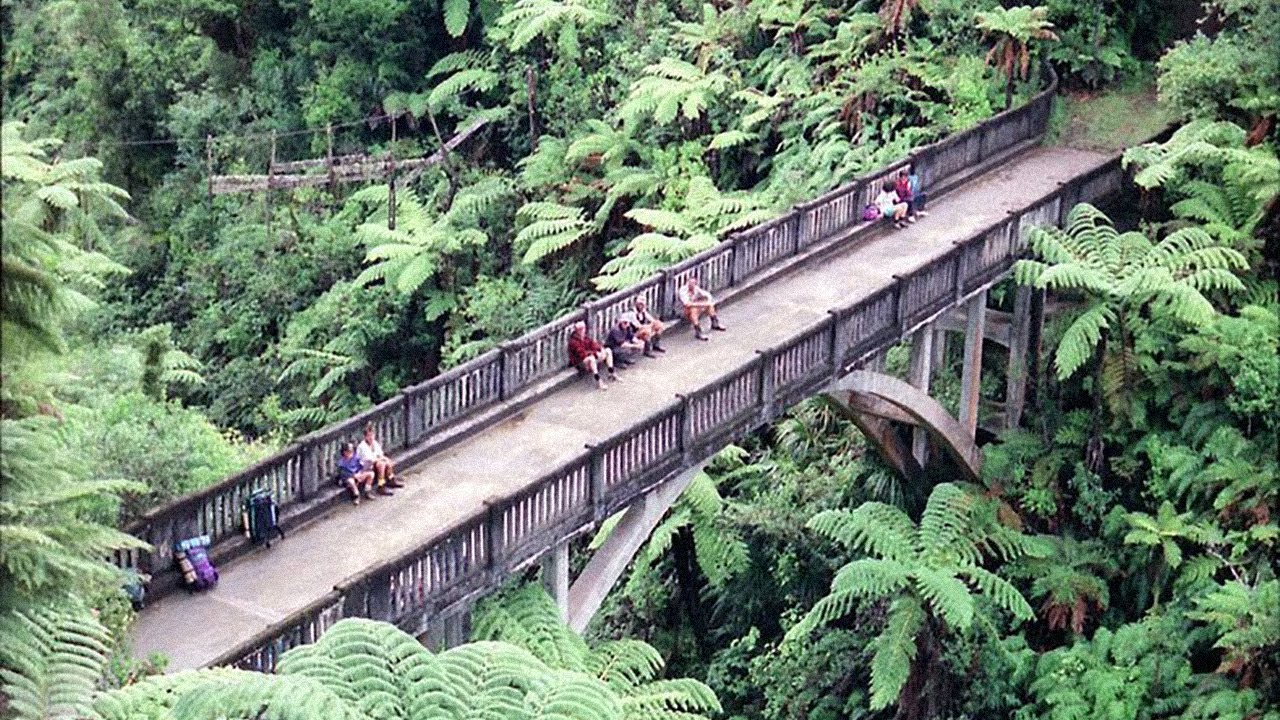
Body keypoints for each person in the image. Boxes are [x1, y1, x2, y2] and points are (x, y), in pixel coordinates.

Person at [568, 320, 618, 390]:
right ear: (577, 330)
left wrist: (601, 349)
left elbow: (593, 344)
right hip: (580, 362)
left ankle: (611, 372)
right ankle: (598, 381)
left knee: (608, 350)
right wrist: (595, 354)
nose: (583, 330)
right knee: (591, 359)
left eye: (583, 328)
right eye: (580, 329)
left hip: (590, 356)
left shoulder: (585, 337)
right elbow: (582, 354)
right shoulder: (573, 342)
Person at [677, 276, 725, 341]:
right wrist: (702, 304)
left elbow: (707, 294)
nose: (692, 285)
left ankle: (715, 322)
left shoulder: (696, 289)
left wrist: (707, 300)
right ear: (687, 283)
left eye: (694, 283)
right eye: (690, 283)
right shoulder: (683, 290)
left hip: (694, 306)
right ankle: (698, 331)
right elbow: (687, 304)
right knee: (693, 309)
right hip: (683, 311)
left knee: (709, 305)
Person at [357, 422, 400, 496]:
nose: (371, 437)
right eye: (369, 436)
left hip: (374, 463)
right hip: (365, 466)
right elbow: (370, 459)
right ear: (365, 437)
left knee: (386, 461)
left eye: (372, 435)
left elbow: (380, 454)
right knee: (381, 464)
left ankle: (391, 479)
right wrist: (381, 459)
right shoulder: (362, 446)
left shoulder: (375, 443)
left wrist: (385, 459)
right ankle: (381, 486)